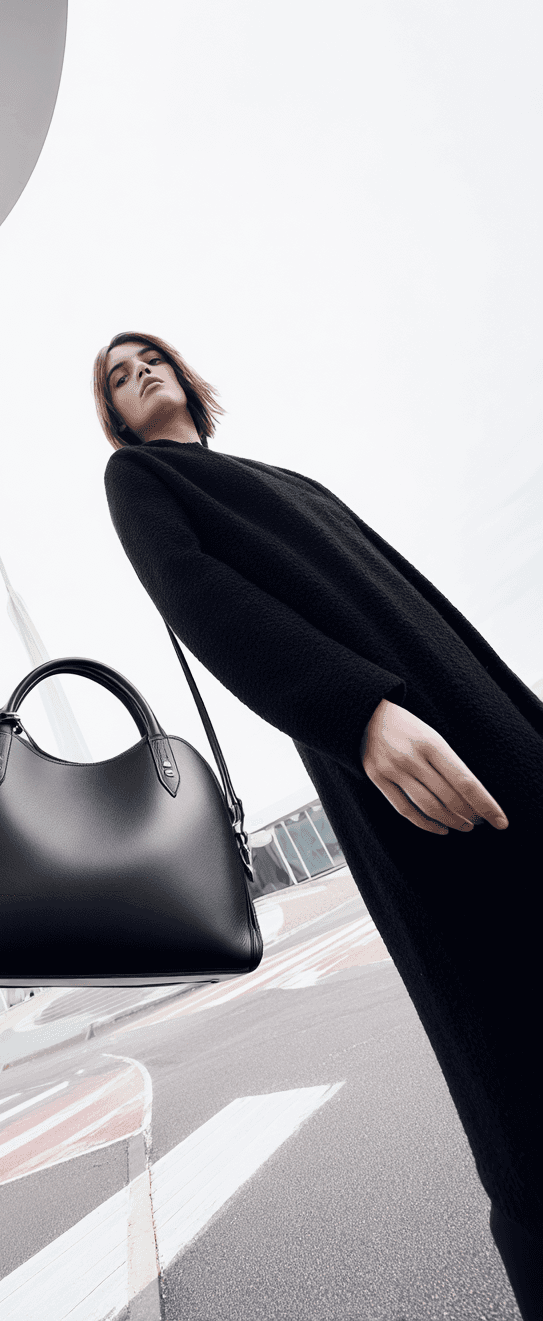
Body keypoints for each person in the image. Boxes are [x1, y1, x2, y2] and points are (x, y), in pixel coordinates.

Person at [95, 330, 542, 1319]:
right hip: (396, 746)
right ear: (116, 417)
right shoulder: (140, 479)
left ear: (184, 376)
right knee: (507, 1015)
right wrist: (356, 712)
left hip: (480, 722)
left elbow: (422, 607)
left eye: (148, 358)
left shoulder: (282, 478)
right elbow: (200, 601)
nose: (139, 374)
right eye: (118, 378)